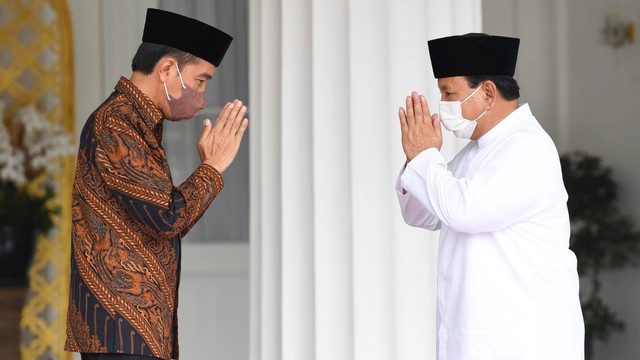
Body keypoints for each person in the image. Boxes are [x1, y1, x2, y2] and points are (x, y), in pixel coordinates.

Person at [64, 8, 248, 360]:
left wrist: (210, 170)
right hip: (119, 329)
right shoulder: (116, 124)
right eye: (200, 80)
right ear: (167, 69)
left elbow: (164, 223)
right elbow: (168, 217)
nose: (202, 95)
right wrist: (212, 167)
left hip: (133, 333)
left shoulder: (136, 124)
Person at [395, 33, 584, 360]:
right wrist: (416, 158)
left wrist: (426, 156)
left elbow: (463, 212)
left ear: (486, 92)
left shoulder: (528, 148)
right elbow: (423, 213)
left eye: (449, 92)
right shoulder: (474, 153)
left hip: (522, 340)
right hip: (473, 339)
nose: (443, 103)